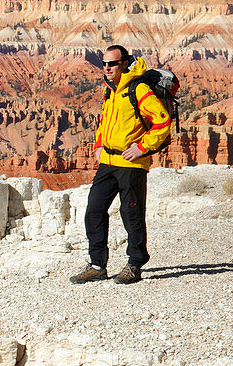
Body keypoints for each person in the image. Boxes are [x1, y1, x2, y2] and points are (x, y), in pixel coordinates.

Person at [70, 44, 171, 285]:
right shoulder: (111, 90)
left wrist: (142, 147)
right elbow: (106, 121)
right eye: (104, 63)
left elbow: (162, 120)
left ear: (124, 63)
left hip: (132, 162)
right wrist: (98, 145)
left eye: (112, 63)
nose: (107, 67)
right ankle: (97, 265)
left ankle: (135, 264)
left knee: (131, 213)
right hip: (108, 160)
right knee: (94, 209)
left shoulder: (139, 88)